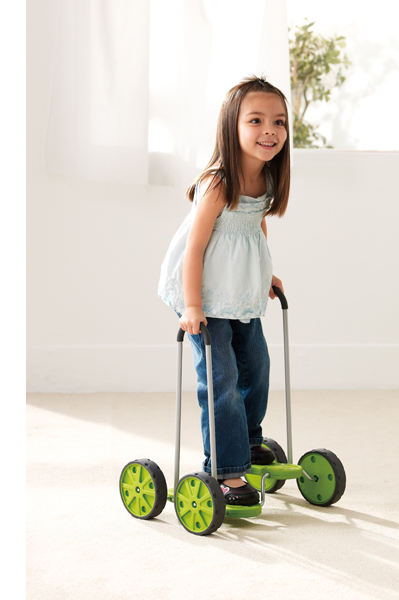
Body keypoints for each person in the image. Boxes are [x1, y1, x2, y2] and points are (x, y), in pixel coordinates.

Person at [158, 76, 290, 506]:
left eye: (279, 122)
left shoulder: (266, 178)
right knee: (222, 379)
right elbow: (194, 250)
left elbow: (255, 227)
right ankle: (227, 469)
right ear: (231, 126)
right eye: (256, 120)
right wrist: (192, 304)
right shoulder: (217, 183)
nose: (270, 130)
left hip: (238, 291)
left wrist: (264, 272)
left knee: (257, 366)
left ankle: (248, 440)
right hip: (203, 293)